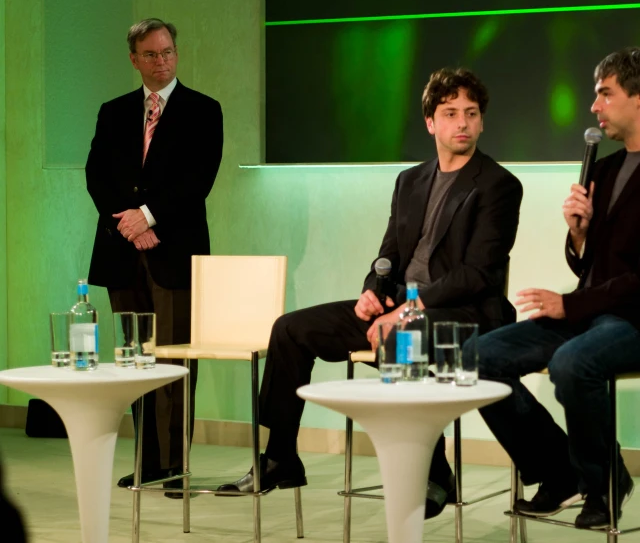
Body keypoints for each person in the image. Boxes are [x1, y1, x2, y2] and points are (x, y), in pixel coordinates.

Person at [218, 67, 523, 518]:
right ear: (430, 122)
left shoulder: (497, 185)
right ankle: (280, 456)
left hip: (464, 313)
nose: (462, 123)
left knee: (405, 338)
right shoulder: (410, 181)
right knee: (290, 329)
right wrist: (371, 293)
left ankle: (435, 473)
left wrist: (408, 309)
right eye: (451, 112)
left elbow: (478, 274)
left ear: (481, 122)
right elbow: (387, 258)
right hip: (398, 308)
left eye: (471, 114)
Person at [474, 47, 640, 529]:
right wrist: (579, 236)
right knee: (476, 357)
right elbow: (592, 266)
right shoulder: (604, 168)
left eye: (605, 93)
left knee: (572, 363)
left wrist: (570, 303)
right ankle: (558, 470)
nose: (594, 106)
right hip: (594, 315)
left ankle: (602, 481)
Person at [85, 18, 223, 498]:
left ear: (175, 53)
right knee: (134, 362)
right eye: (151, 54)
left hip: (174, 253)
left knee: (174, 363)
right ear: (134, 59)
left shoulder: (204, 110)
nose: (162, 61)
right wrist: (128, 223)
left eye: (168, 52)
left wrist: (147, 215)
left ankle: (175, 468)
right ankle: (146, 463)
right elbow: (97, 176)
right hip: (123, 255)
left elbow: (197, 181)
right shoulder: (113, 111)